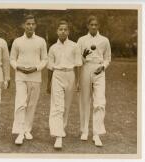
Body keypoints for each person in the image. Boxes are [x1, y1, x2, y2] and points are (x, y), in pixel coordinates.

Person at [10, 14, 48, 145]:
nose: (30, 26)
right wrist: (18, 67)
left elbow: (45, 59)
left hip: (35, 77)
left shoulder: (41, 41)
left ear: (35, 25)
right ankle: (20, 132)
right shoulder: (17, 41)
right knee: (20, 103)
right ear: (23, 26)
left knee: (31, 105)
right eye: (28, 24)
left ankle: (27, 129)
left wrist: (36, 68)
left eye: (32, 24)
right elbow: (12, 59)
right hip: (20, 76)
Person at [47, 20, 82, 149]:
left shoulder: (74, 46)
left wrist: (77, 82)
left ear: (68, 31)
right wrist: (48, 83)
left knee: (66, 106)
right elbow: (50, 68)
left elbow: (78, 65)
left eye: (65, 29)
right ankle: (58, 136)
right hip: (57, 75)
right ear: (57, 31)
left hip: (70, 76)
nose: (63, 31)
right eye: (60, 29)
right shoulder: (52, 48)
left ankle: (62, 127)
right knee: (58, 106)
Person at [77, 15, 111, 147]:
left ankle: (96, 133)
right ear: (87, 26)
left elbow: (107, 58)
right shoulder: (81, 40)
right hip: (86, 69)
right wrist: (83, 57)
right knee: (84, 100)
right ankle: (84, 130)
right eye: (91, 25)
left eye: (96, 25)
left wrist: (102, 67)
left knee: (100, 102)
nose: (94, 27)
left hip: (99, 70)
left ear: (99, 26)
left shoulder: (104, 40)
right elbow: (78, 59)